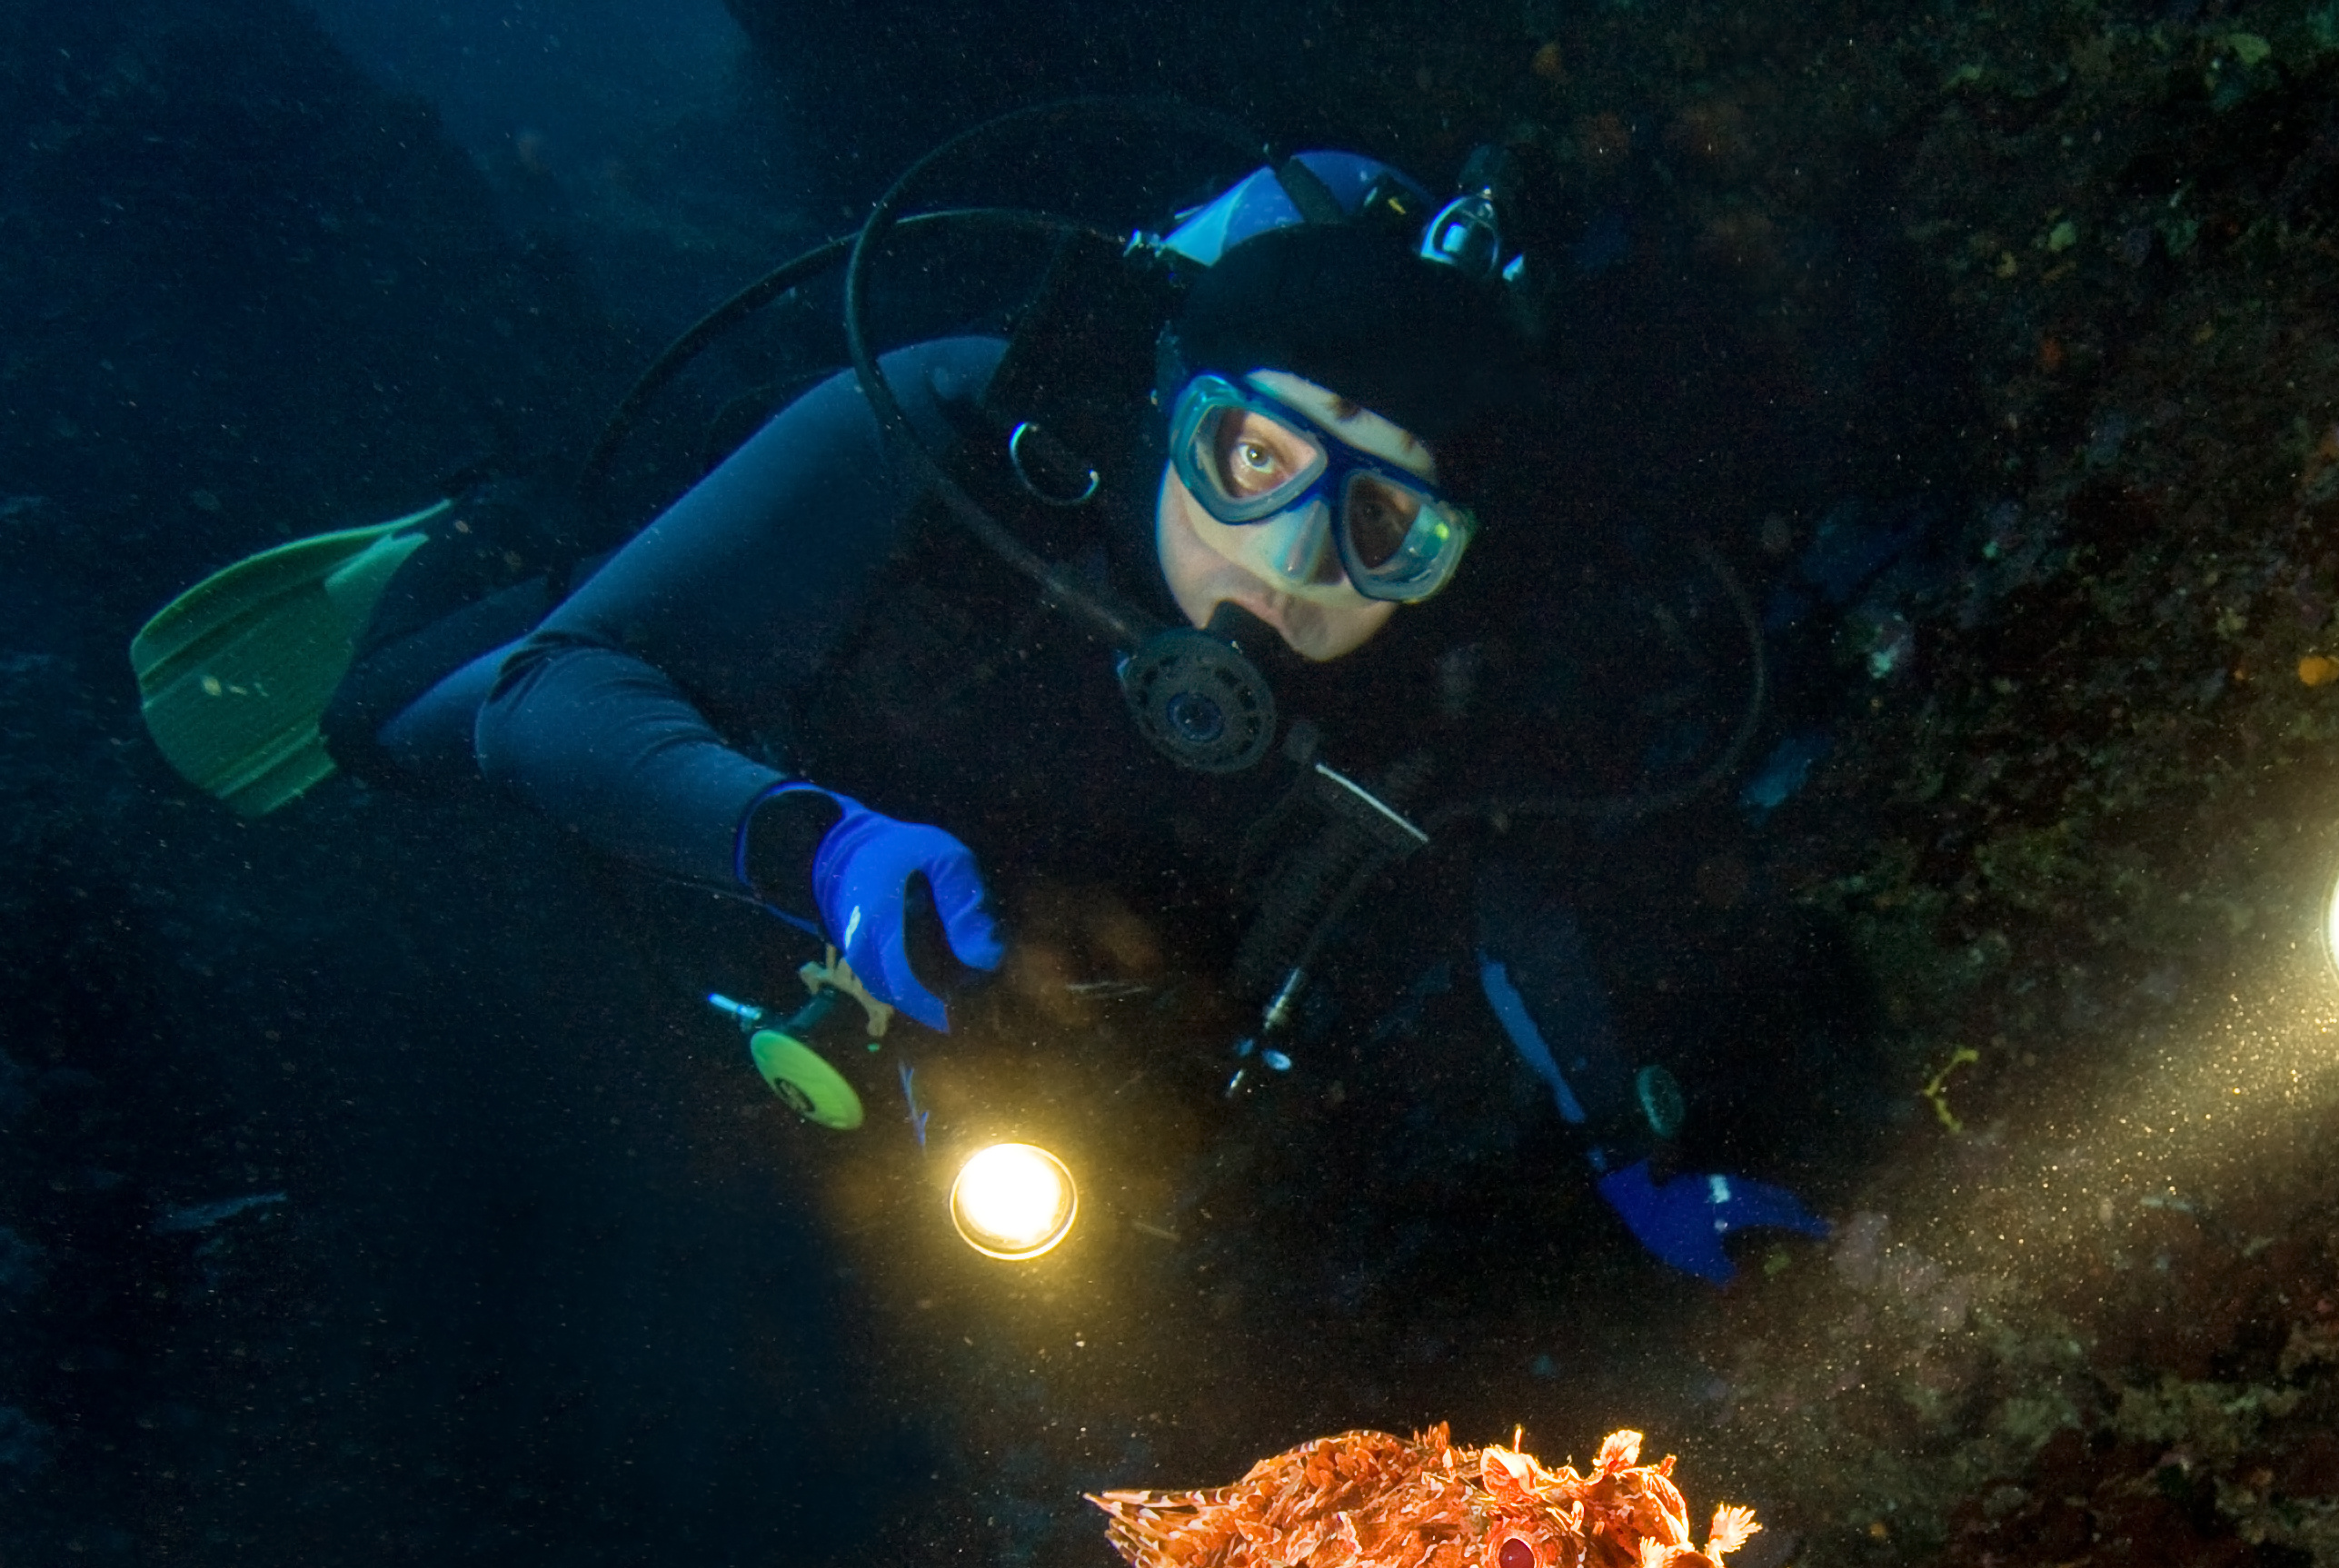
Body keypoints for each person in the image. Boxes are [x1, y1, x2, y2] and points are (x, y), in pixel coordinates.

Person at [134, 144, 1839, 1285]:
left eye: (1386, 522)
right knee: (409, 736)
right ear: (1174, 407)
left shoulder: (1436, 661)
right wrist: (816, 845)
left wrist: (1628, 1148)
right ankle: (502, 532)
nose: (1291, 559)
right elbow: (547, 710)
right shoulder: (957, 428)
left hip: (1029, 973)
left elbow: (1500, 882)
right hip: (759, 717)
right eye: (1253, 459)